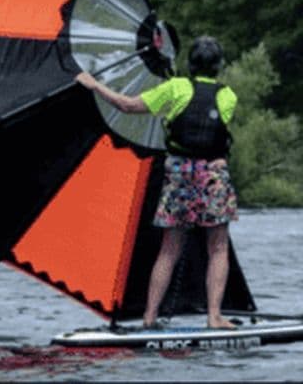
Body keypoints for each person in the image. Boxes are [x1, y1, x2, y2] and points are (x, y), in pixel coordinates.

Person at [76, 35, 238, 330]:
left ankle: (150, 317)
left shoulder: (175, 88)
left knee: (169, 249)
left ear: (190, 64)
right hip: (213, 175)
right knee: (218, 248)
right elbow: (214, 135)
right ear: (218, 67)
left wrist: (94, 85)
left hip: (178, 175)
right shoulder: (228, 96)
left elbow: (127, 106)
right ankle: (214, 316)